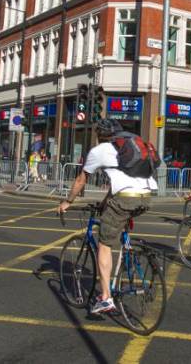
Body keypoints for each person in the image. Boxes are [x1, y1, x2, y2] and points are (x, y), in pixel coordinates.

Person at [58, 119, 157, 315]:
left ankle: (105, 298)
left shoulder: (99, 150)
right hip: (146, 196)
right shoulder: (127, 147)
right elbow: (118, 182)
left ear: (99, 135)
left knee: (104, 245)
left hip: (125, 199)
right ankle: (129, 253)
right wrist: (104, 203)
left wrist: (67, 202)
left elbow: (81, 180)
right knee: (118, 223)